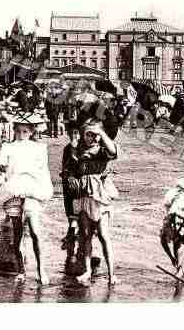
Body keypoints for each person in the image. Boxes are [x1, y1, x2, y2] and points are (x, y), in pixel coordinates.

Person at [0, 111, 53, 285]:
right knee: (17, 233)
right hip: (13, 191)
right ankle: (21, 269)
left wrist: (41, 191)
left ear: (32, 131)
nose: (21, 134)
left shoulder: (39, 148)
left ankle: (41, 269)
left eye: (25, 131)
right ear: (14, 130)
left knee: (35, 232)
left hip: (32, 190)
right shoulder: (8, 147)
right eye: (18, 131)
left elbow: (43, 172)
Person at [69, 118, 119, 286]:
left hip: (99, 197)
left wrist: (101, 133)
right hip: (84, 196)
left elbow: (113, 151)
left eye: (94, 134)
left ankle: (112, 274)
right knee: (85, 235)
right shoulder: (79, 150)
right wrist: (71, 177)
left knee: (104, 235)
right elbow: (72, 169)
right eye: (88, 134)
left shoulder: (102, 150)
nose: (91, 137)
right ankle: (87, 270)